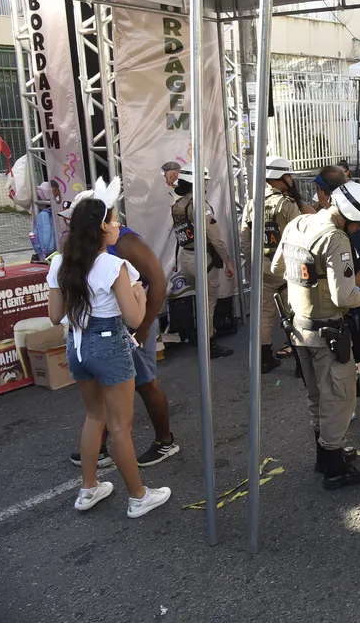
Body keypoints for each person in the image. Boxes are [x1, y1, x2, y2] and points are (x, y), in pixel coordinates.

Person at [48, 178, 171, 518]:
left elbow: (55, 315)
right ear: (101, 227)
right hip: (109, 344)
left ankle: (88, 488)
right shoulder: (113, 266)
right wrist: (141, 296)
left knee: (94, 416)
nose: (119, 226)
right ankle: (138, 496)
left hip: (76, 345)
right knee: (120, 427)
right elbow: (133, 319)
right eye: (115, 220)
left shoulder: (59, 263)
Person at [271, 181, 360, 489]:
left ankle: (325, 456)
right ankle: (335, 469)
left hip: (299, 328)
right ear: (348, 216)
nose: (359, 229)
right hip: (328, 332)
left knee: (317, 396)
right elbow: (344, 297)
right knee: (340, 399)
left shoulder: (298, 222)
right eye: (359, 224)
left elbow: (278, 267)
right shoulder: (335, 239)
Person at [62, 188, 180, 469]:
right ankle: (99, 448)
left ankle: (165, 442)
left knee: (145, 383)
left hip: (131, 324)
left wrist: (143, 328)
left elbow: (158, 283)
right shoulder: (86, 246)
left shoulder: (124, 242)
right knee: (106, 389)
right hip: (104, 331)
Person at [316, 166, 360, 441]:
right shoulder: (325, 219)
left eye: (320, 190)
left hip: (354, 305)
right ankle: (349, 409)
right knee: (340, 363)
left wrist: (350, 290)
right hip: (336, 305)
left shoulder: (352, 221)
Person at [240, 156, 314, 372]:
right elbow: (300, 235)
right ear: (282, 177)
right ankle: (302, 364)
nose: (291, 179)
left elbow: (245, 237)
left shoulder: (252, 204)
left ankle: (264, 359)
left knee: (265, 313)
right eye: (289, 175)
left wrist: (254, 262)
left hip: (262, 267)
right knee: (295, 313)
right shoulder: (287, 204)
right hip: (287, 268)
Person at [169, 167, 235, 357]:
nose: (207, 184)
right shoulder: (200, 206)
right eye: (204, 180)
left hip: (186, 258)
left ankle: (203, 338)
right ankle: (209, 345)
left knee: (201, 301)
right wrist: (228, 262)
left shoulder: (178, 205)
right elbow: (216, 239)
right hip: (202, 259)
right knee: (209, 304)